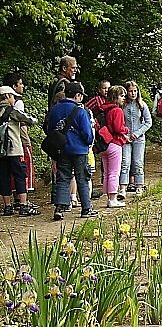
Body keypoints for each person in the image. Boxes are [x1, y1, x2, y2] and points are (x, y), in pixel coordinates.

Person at [48, 81, 96, 221]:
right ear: (78, 95)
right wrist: (88, 143)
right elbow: (87, 133)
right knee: (82, 178)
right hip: (79, 150)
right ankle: (86, 208)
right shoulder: (80, 111)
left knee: (63, 178)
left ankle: (60, 208)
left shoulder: (55, 110)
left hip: (62, 149)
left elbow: (51, 129)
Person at [0, 86, 39, 216]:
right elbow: (31, 119)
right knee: (20, 176)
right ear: (7, 97)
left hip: (1, 152)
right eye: (12, 96)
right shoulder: (12, 111)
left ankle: (7, 207)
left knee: (4, 178)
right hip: (14, 150)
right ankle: (23, 205)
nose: (14, 99)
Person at [47, 56, 79, 205]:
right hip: (63, 129)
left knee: (56, 161)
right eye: (72, 67)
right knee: (63, 164)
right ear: (64, 68)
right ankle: (63, 197)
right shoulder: (63, 85)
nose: (75, 70)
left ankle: (58, 195)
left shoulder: (54, 81)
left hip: (53, 128)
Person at [97, 85, 129, 207]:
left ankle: (108, 196)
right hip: (114, 143)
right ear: (115, 97)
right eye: (121, 96)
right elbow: (118, 128)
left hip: (104, 144)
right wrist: (126, 129)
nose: (123, 98)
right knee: (114, 172)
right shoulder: (117, 110)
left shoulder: (104, 109)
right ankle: (112, 198)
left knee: (106, 172)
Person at [121, 80, 151, 196]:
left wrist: (137, 133)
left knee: (138, 162)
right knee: (125, 162)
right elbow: (119, 122)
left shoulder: (142, 105)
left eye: (135, 91)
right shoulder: (122, 105)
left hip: (138, 138)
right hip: (125, 138)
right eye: (130, 91)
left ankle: (139, 185)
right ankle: (123, 187)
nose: (133, 93)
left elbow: (148, 122)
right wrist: (124, 134)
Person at [84, 80, 111, 201]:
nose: (106, 90)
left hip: (106, 132)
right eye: (104, 88)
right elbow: (85, 109)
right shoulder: (95, 100)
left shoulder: (110, 100)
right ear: (100, 90)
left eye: (108, 88)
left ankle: (105, 181)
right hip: (96, 131)